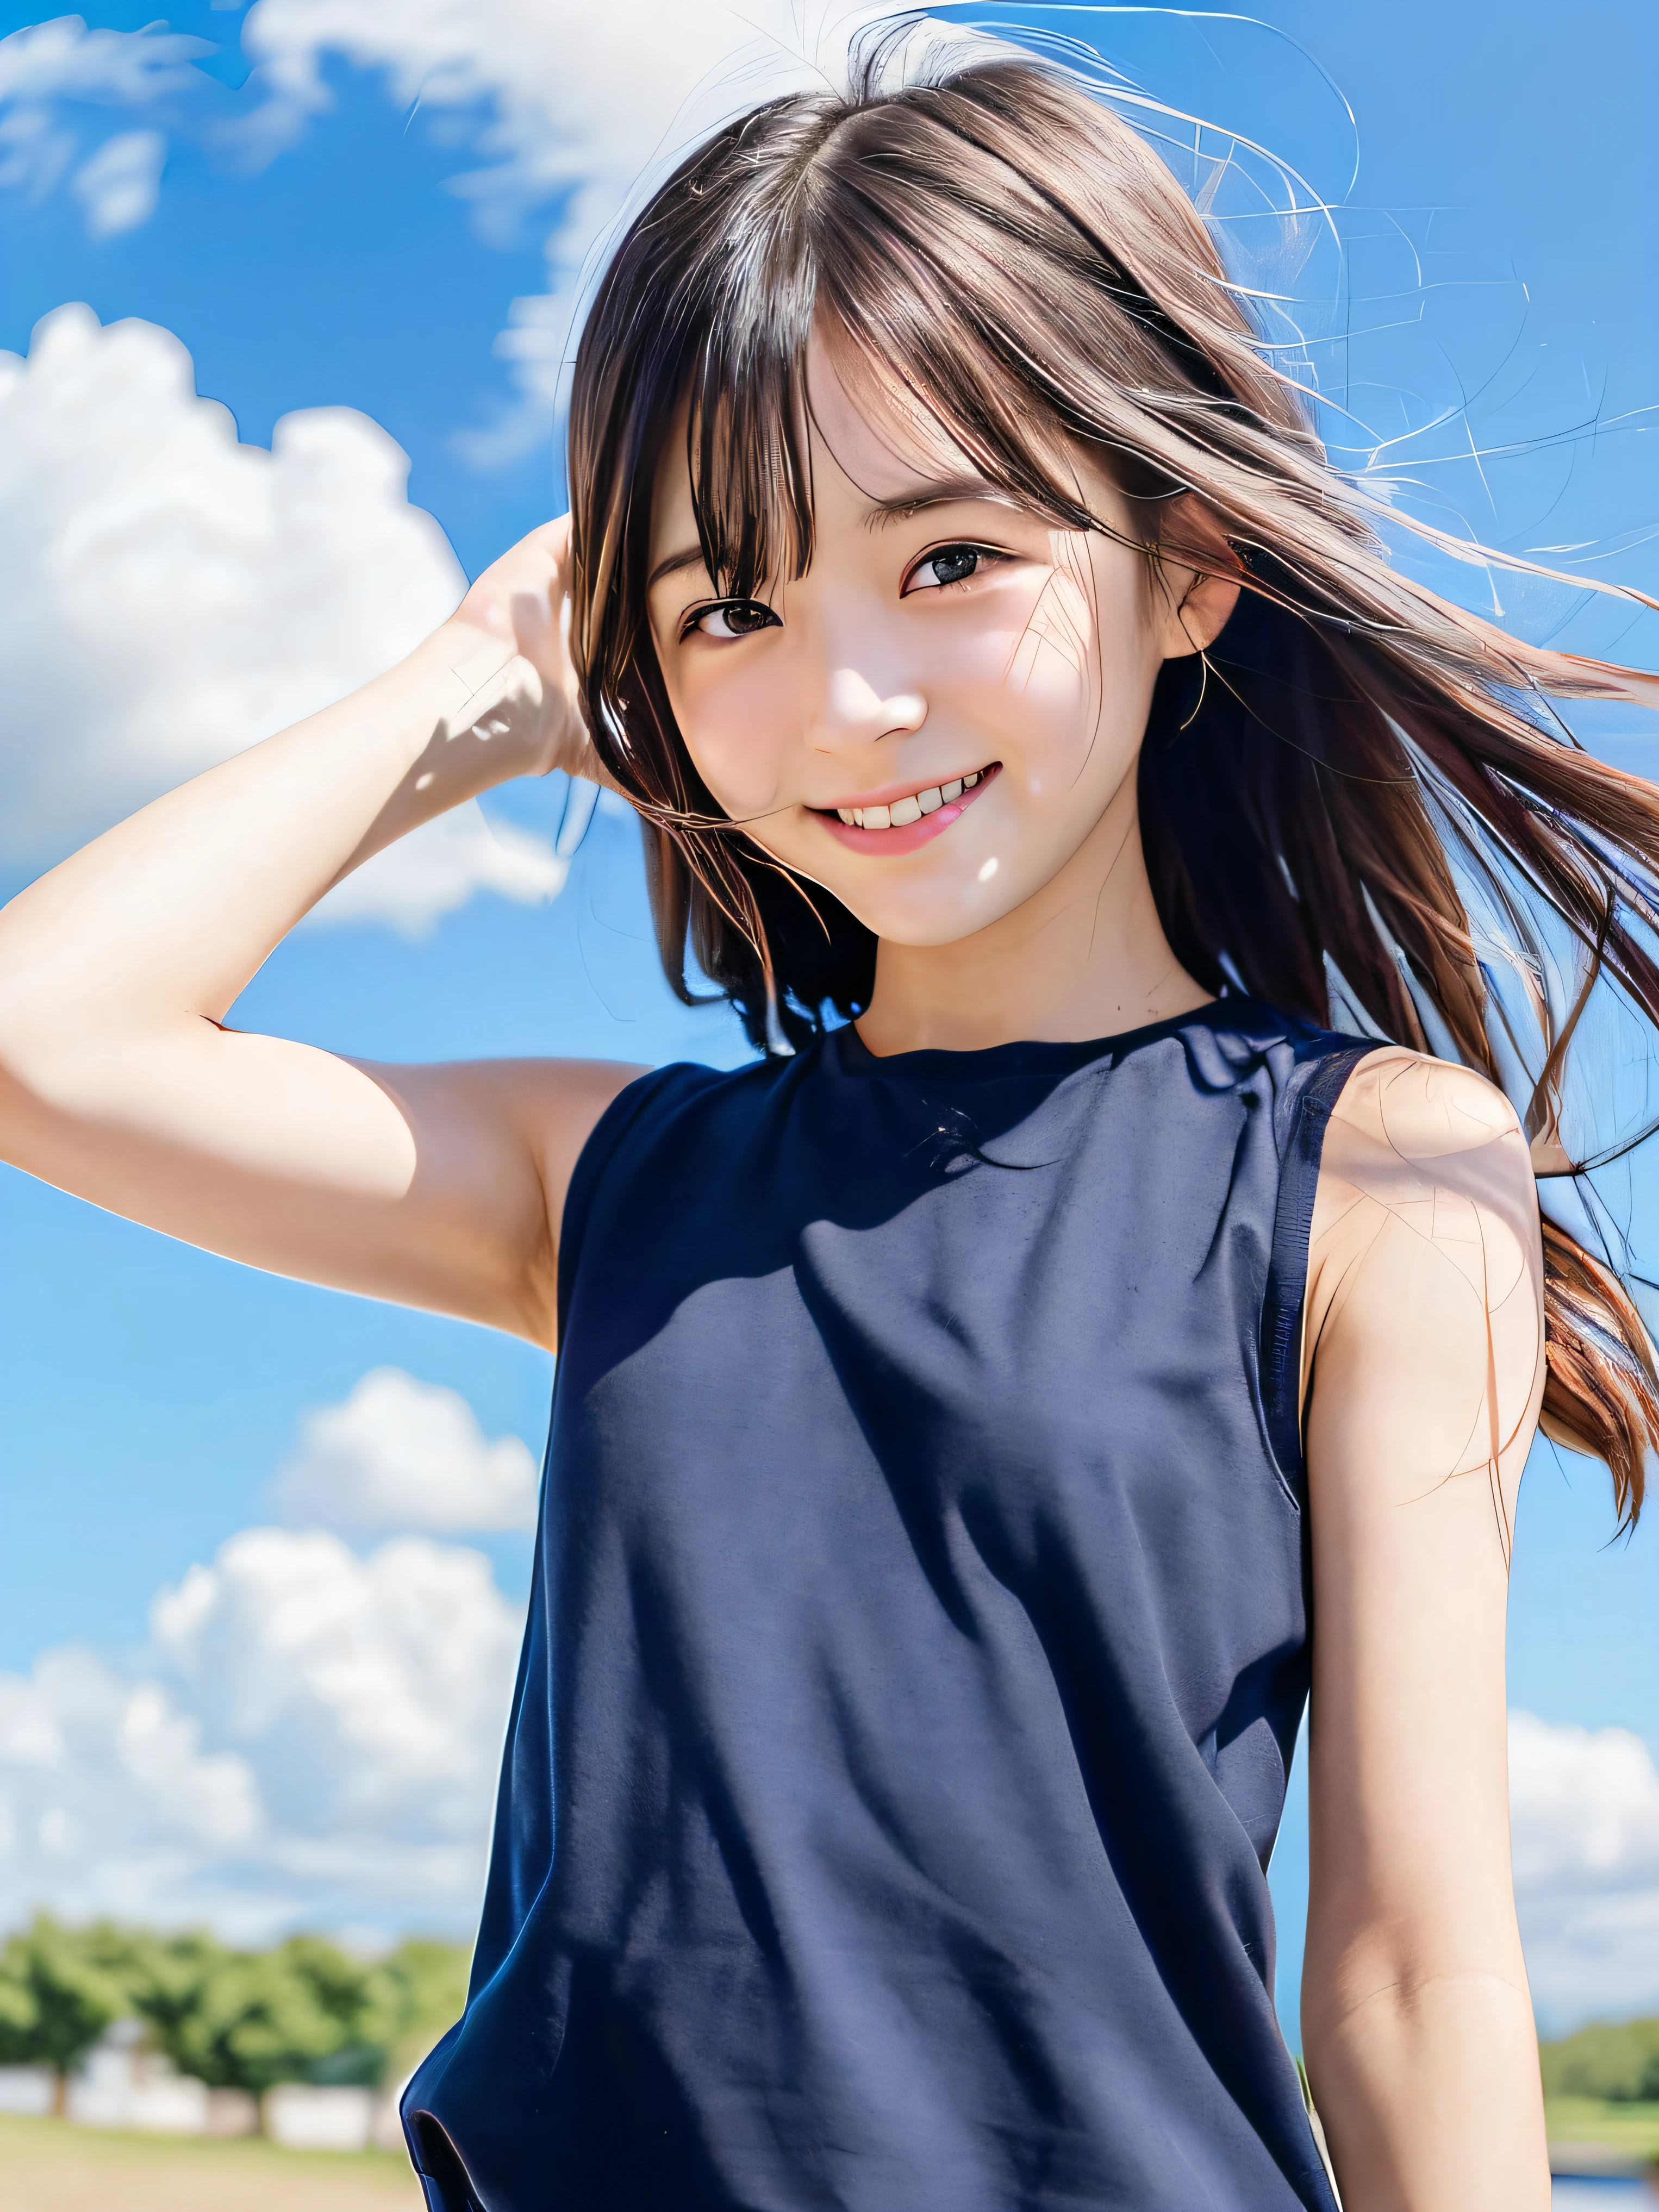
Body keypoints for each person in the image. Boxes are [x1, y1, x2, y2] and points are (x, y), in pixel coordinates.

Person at [2, 41, 1657, 2212]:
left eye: (950, 554)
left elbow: (1405, 1975)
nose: (848, 699)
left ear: (1191, 565)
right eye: (731, 607)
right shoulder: (614, 1188)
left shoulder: (1369, 1176)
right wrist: (471, 686)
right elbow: (48, 1042)